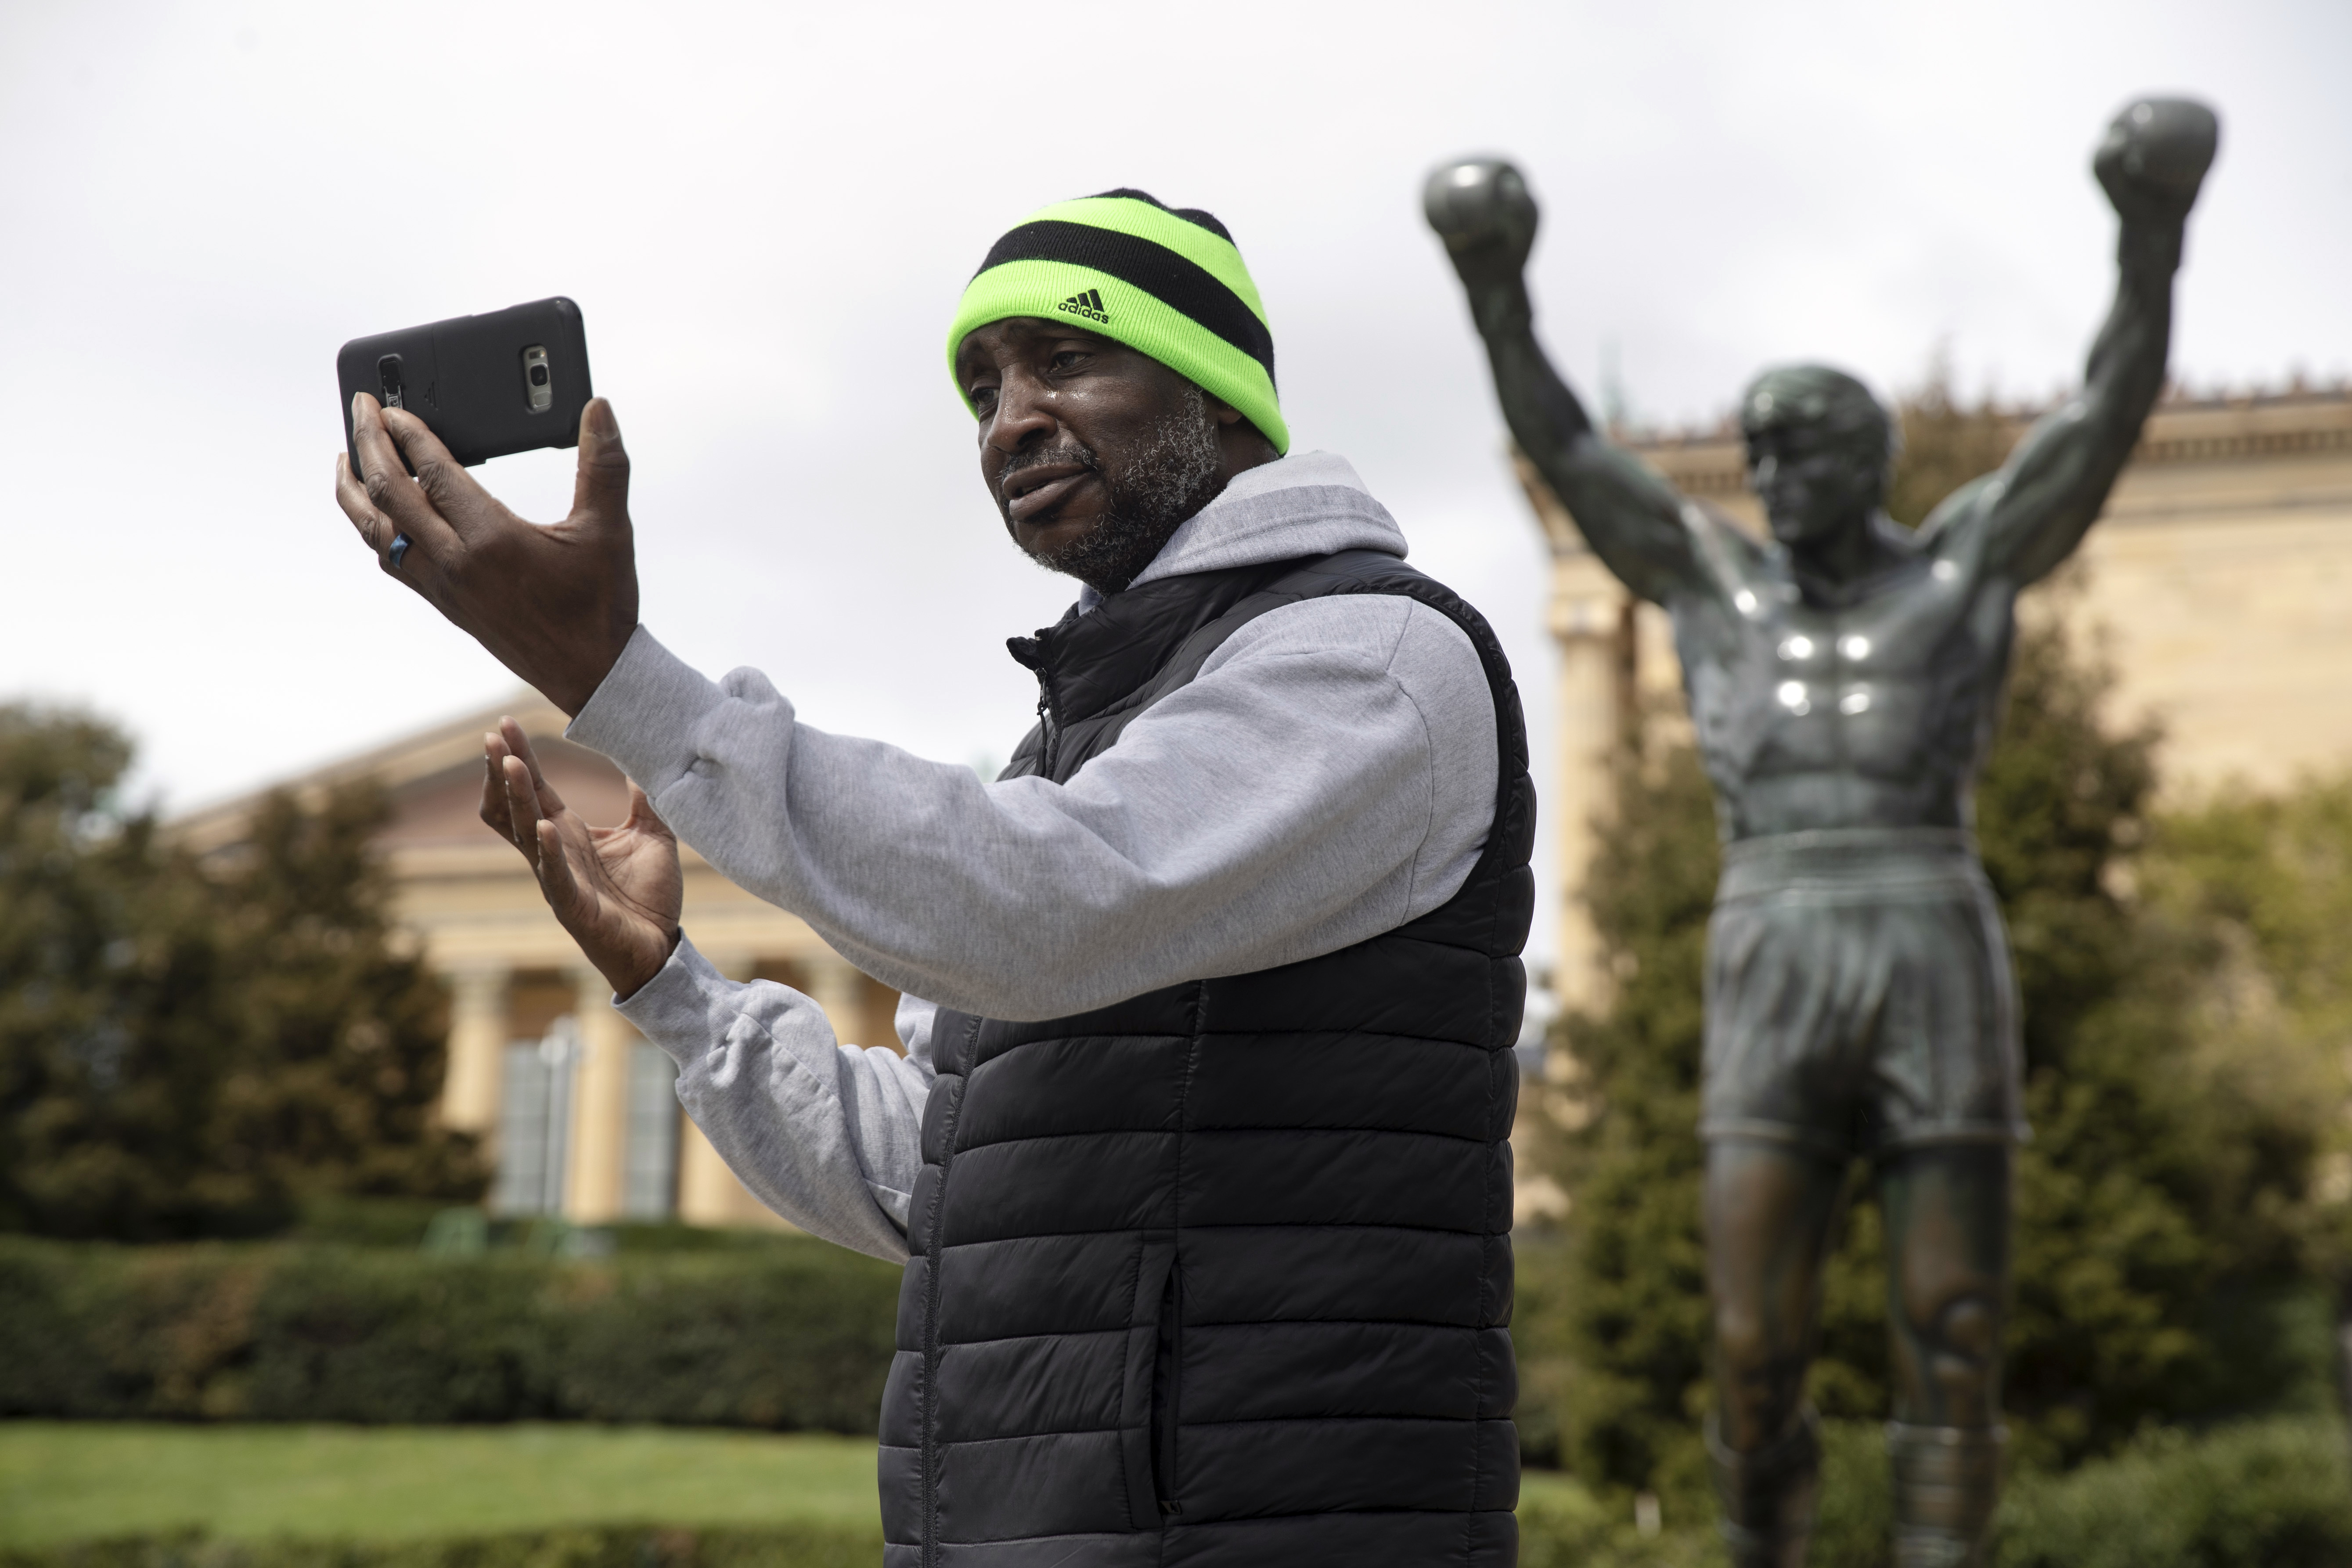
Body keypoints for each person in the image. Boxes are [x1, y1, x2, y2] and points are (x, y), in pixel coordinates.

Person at [335, 189, 1534, 1568]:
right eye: (983, 387)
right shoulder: (1074, 742)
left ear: (1220, 389)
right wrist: (669, 986)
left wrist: (619, 682)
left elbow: (1054, 906)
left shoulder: (1373, 661)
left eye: (1069, 359)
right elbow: (939, 1173)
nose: (1010, 419)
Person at [1423, 100, 2215, 1568]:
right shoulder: (1719, 596)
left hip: (1930, 930)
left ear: (1867, 458)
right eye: (1759, 454)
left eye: (1799, 452)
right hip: (1775, 936)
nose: (1771, 478)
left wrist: (2150, 232)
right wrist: (1495, 283)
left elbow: (2104, 417)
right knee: (1748, 1335)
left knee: (1957, 1324)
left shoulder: (1964, 573)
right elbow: (1570, 448)